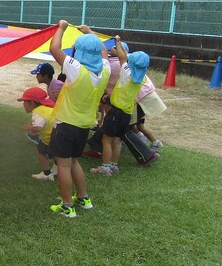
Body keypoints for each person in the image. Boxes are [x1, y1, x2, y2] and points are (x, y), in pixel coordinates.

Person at [48, 21, 110, 218]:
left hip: (66, 124)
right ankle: (83, 198)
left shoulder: (75, 69)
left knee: (63, 165)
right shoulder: (104, 72)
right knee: (74, 162)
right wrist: (91, 33)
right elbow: (104, 54)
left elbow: (54, 48)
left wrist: (61, 28)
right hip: (84, 125)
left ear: (78, 51)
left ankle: (67, 206)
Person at [90, 36, 150, 175]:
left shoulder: (126, 72)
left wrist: (117, 41)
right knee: (117, 140)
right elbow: (124, 57)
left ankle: (105, 167)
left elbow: (122, 57)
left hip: (115, 112)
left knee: (106, 140)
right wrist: (120, 46)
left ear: (132, 63)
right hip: (127, 114)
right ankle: (113, 165)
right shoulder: (141, 78)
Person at [17, 87, 57, 181]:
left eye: (24, 102)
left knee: (40, 150)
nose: (23, 104)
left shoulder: (38, 112)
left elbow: (38, 128)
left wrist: (29, 128)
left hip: (50, 139)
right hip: (58, 136)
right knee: (55, 154)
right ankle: (58, 168)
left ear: (32, 102)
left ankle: (46, 174)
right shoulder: (48, 108)